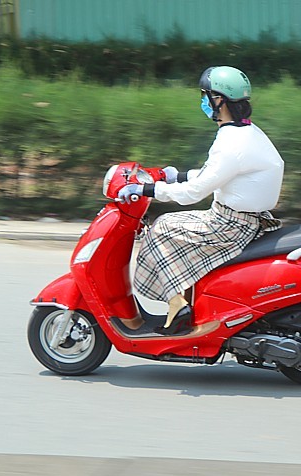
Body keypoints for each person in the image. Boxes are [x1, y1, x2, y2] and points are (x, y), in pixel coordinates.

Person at [118, 66, 284, 335]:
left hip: (229, 225)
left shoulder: (231, 142)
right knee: (172, 227)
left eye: (205, 95)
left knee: (161, 227)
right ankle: (186, 303)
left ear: (219, 100)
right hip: (245, 219)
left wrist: (147, 189)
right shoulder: (247, 132)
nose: (203, 102)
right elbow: (218, 175)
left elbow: (192, 194)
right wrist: (177, 175)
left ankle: (176, 304)